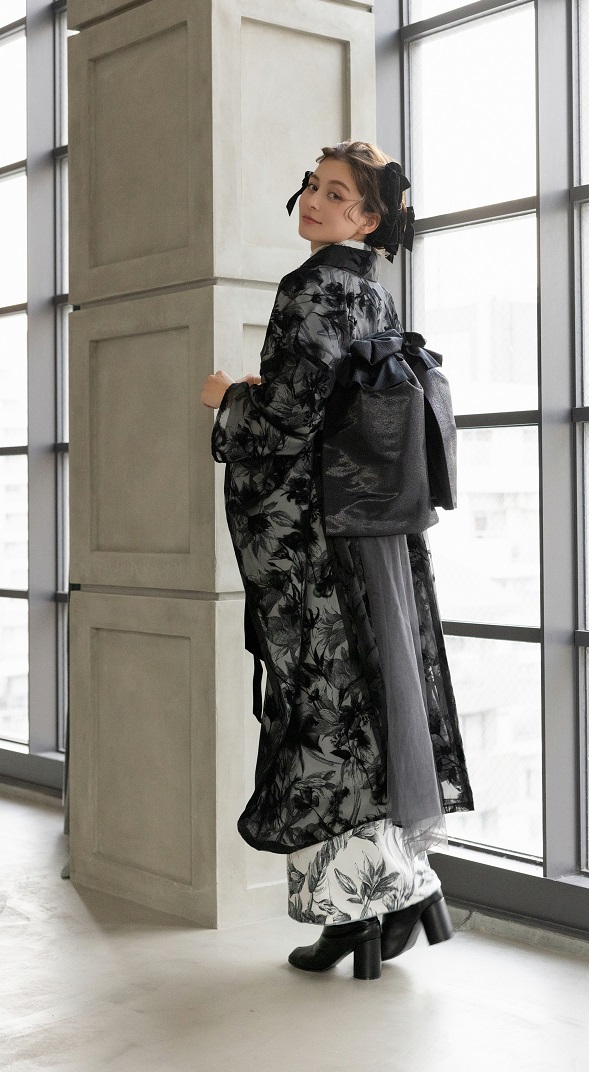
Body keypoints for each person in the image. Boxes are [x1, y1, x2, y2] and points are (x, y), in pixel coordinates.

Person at [200, 140, 473, 980]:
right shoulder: (370, 291)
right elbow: (333, 403)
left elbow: (287, 419)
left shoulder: (311, 286)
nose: (315, 202)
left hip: (320, 538)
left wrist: (227, 398)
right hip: (372, 531)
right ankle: (389, 899)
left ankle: (368, 907)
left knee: (324, 715)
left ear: (368, 218)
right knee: (367, 702)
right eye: (313, 187)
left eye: (338, 194)